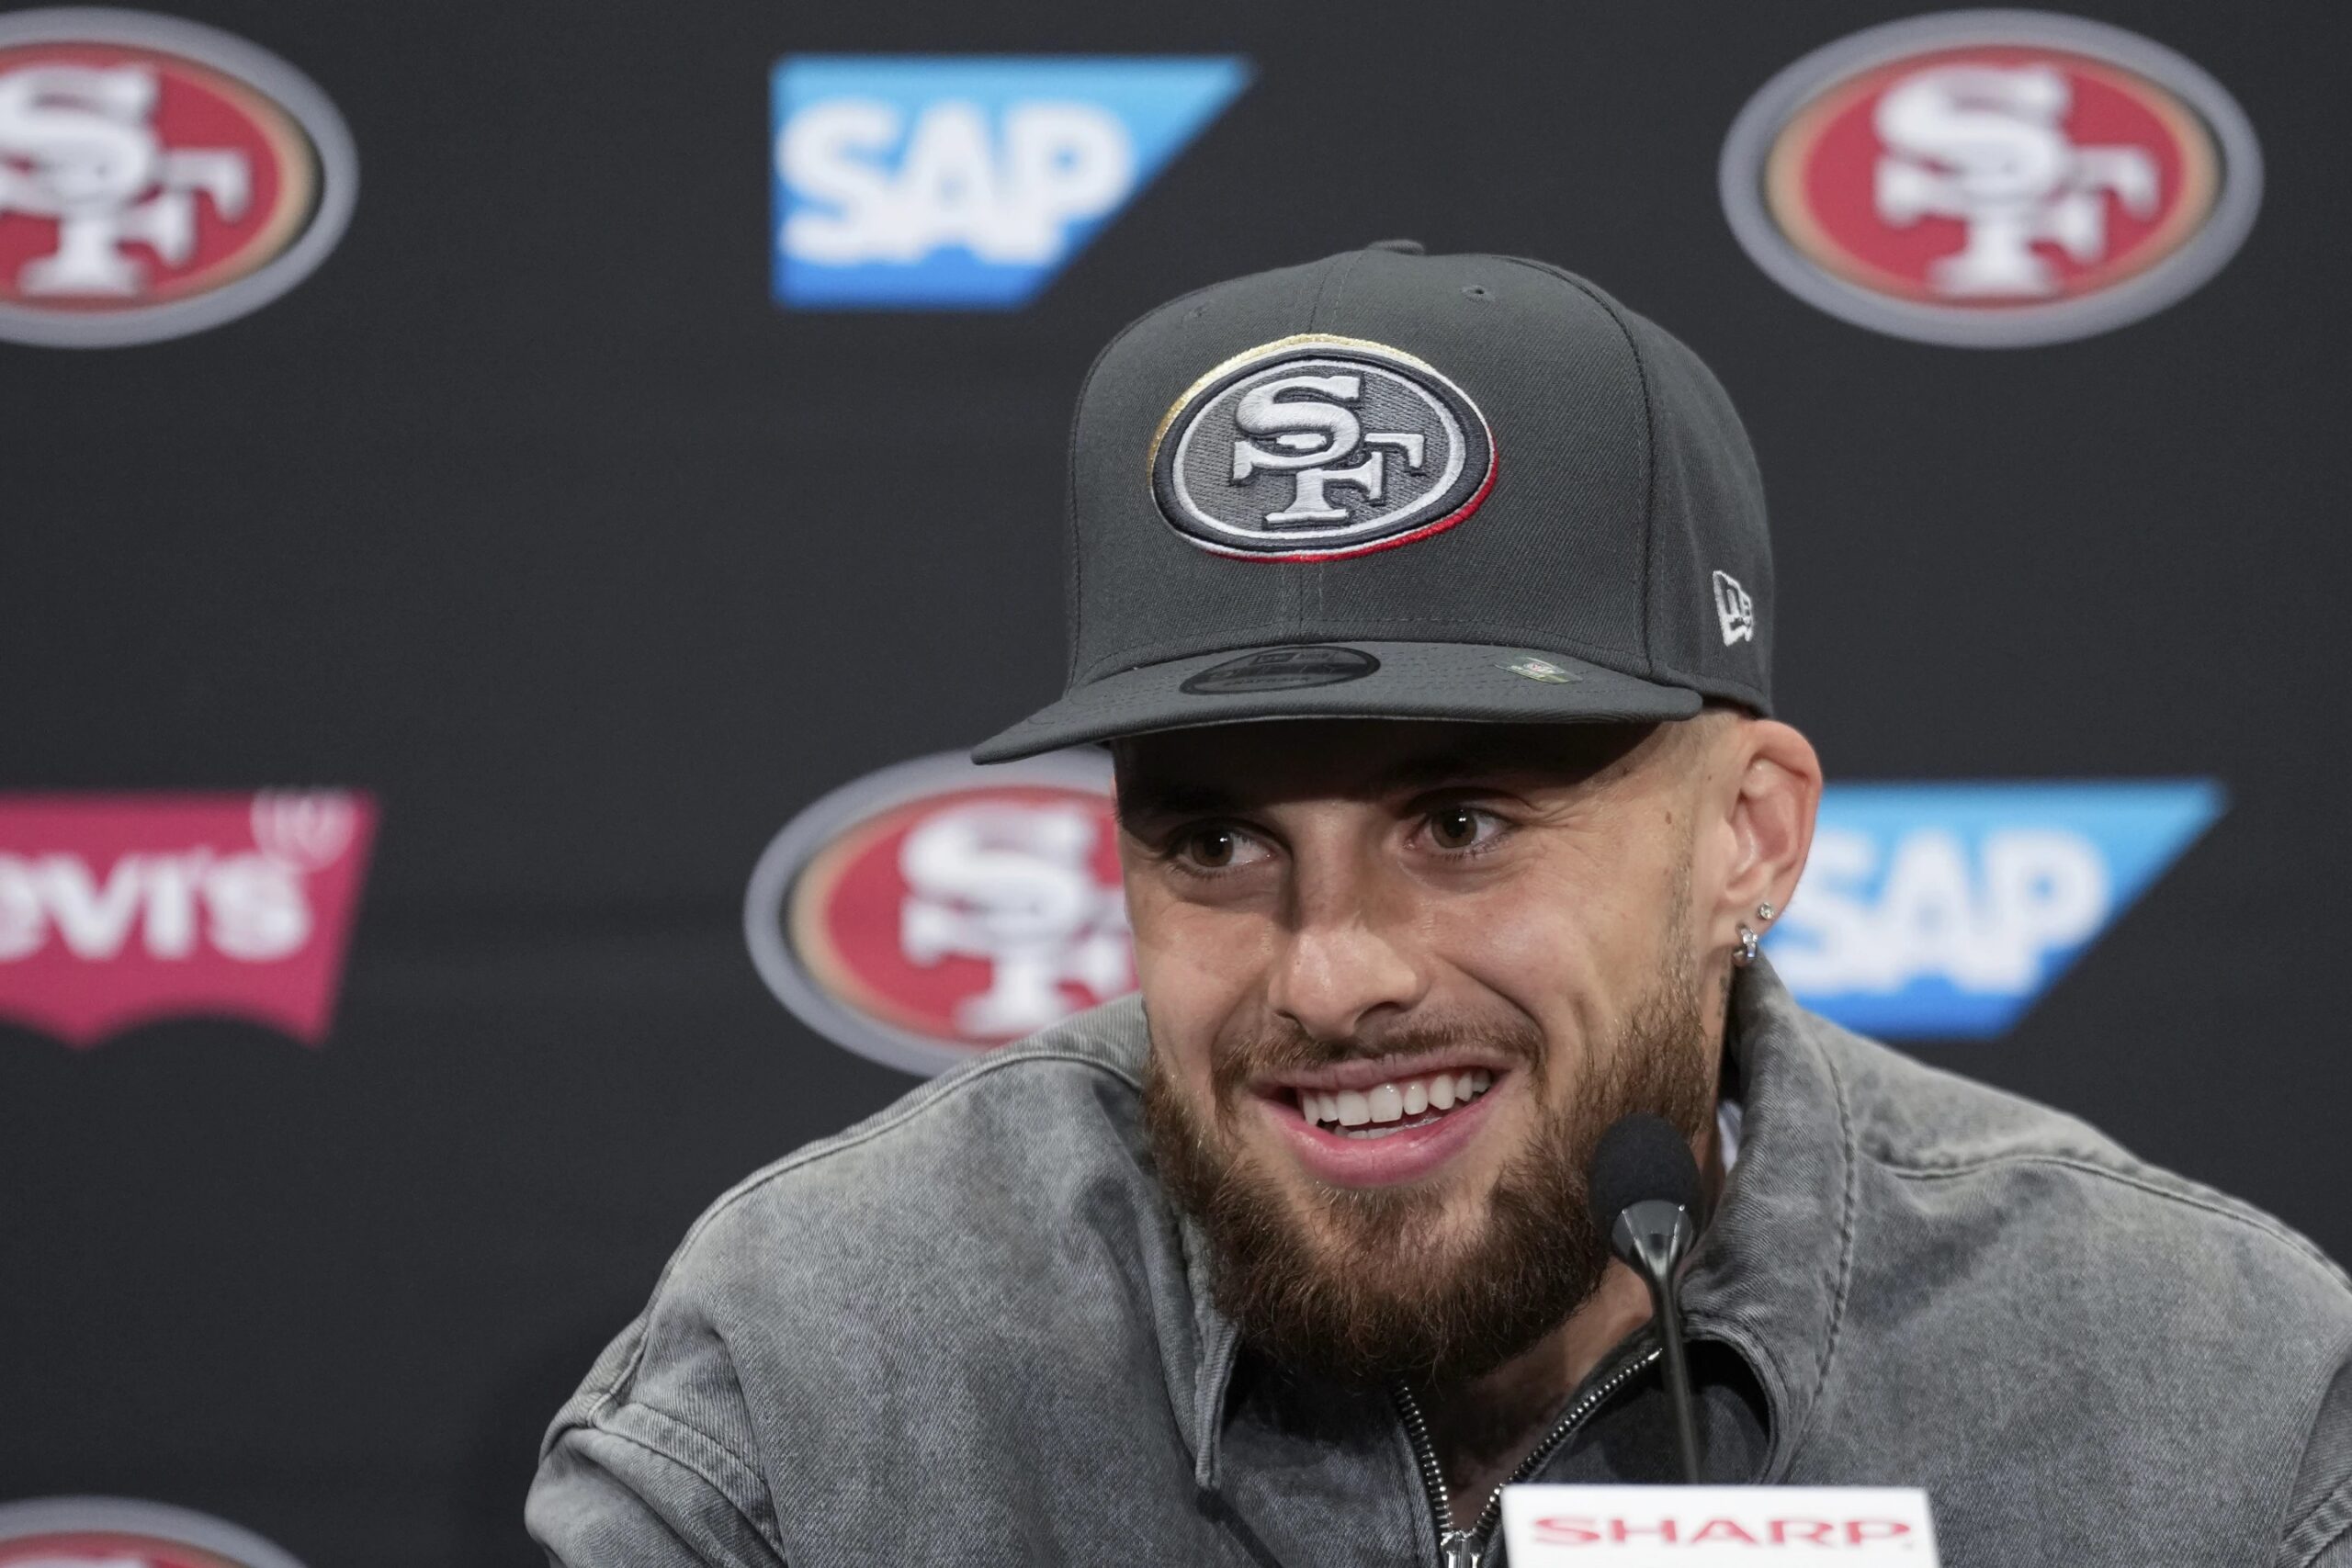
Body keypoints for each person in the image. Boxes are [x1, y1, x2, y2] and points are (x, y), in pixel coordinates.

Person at [526, 243, 2352, 1566]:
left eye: (1462, 818)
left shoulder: (2195, 1388)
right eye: (1216, 846)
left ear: (1750, 837)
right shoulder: (829, 1349)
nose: (1329, 975)